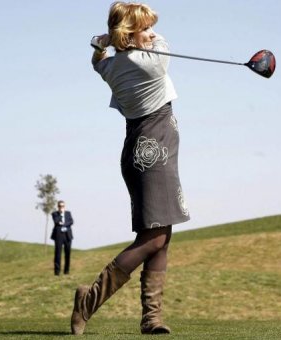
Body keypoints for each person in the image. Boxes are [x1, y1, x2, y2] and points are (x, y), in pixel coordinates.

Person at [71, 2, 189, 335]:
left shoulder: (110, 66)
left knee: (160, 237)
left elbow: (98, 57)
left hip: (142, 153)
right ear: (130, 34)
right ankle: (89, 299)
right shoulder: (149, 63)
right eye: (146, 28)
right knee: (153, 239)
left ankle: (152, 318)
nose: (152, 34)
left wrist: (108, 40)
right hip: (154, 154)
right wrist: (128, 37)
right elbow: (162, 46)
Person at [50, 200, 74, 275]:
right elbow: (57, 221)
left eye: (62, 206)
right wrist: (63, 221)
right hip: (59, 236)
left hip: (67, 235)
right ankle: (57, 272)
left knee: (68, 254)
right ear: (58, 207)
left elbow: (71, 221)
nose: (61, 208)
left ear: (64, 206)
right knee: (57, 254)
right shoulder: (55, 214)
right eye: (60, 206)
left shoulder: (68, 213)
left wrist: (63, 224)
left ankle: (66, 271)